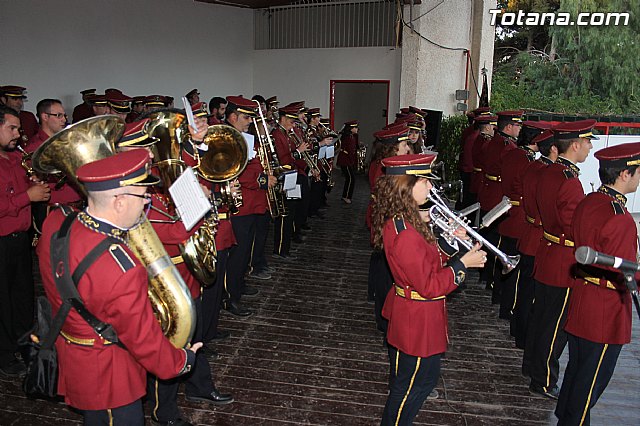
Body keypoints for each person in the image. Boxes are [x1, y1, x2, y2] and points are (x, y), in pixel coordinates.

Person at [37, 148, 200, 424]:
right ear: (120, 201)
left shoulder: (56, 221)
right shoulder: (122, 269)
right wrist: (181, 361)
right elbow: (143, 340)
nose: (147, 201)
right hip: (109, 373)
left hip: (72, 350)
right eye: (143, 195)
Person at [372, 153, 486, 425]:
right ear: (406, 186)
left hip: (418, 315)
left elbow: (429, 260)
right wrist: (463, 264)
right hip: (417, 319)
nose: (431, 187)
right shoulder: (406, 232)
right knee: (411, 386)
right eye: (425, 181)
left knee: (421, 380)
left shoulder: (408, 220)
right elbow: (430, 285)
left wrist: (451, 244)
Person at [555, 142, 640, 425]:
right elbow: (625, 270)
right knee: (591, 382)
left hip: (582, 299)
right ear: (624, 174)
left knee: (578, 371)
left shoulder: (590, 200)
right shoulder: (621, 219)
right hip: (606, 309)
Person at [527, 119, 595, 399]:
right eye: (588, 142)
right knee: (555, 327)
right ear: (576, 145)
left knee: (541, 319)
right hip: (563, 259)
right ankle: (543, 380)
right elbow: (574, 227)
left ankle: (531, 368)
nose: (590, 147)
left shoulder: (551, 172)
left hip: (548, 253)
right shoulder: (569, 181)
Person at [0, 105, 50, 377]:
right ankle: (5, 354)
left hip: (20, 240)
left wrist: (33, 182)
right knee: (3, 302)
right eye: (12, 128)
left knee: (22, 298)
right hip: (2, 242)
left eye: (19, 129)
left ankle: (23, 344)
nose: (18, 135)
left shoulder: (13, 158)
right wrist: (26, 197)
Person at [513, 129, 557, 353]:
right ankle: (524, 336)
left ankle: (518, 331)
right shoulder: (546, 172)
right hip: (540, 235)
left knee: (525, 291)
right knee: (532, 296)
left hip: (530, 231)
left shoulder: (533, 166)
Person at [337, 120, 359, 204]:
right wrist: (352, 161)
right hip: (345, 160)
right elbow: (350, 150)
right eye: (355, 127)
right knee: (350, 178)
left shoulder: (352, 136)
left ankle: (346, 196)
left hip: (347, 160)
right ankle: (346, 196)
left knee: (350, 178)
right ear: (351, 129)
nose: (357, 129)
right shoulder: (349, 137)